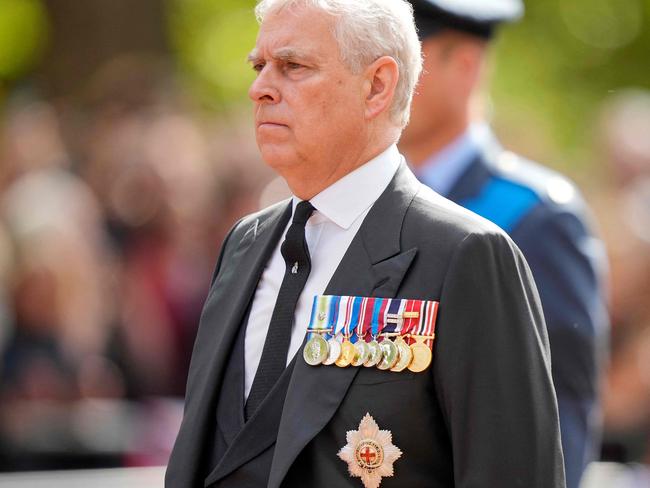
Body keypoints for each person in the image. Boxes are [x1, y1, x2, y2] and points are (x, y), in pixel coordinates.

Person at [166, 1, 565, 487]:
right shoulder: (245, 244)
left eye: (293, 66)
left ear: (377, 85)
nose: (260, 88)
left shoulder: (465, 254)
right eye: (259, 66)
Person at [399, 2, 610, 487]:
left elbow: (561, 412)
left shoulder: (536, 216)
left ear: (466, 66)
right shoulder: (367, 203)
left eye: (405, 59)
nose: (378, 79)